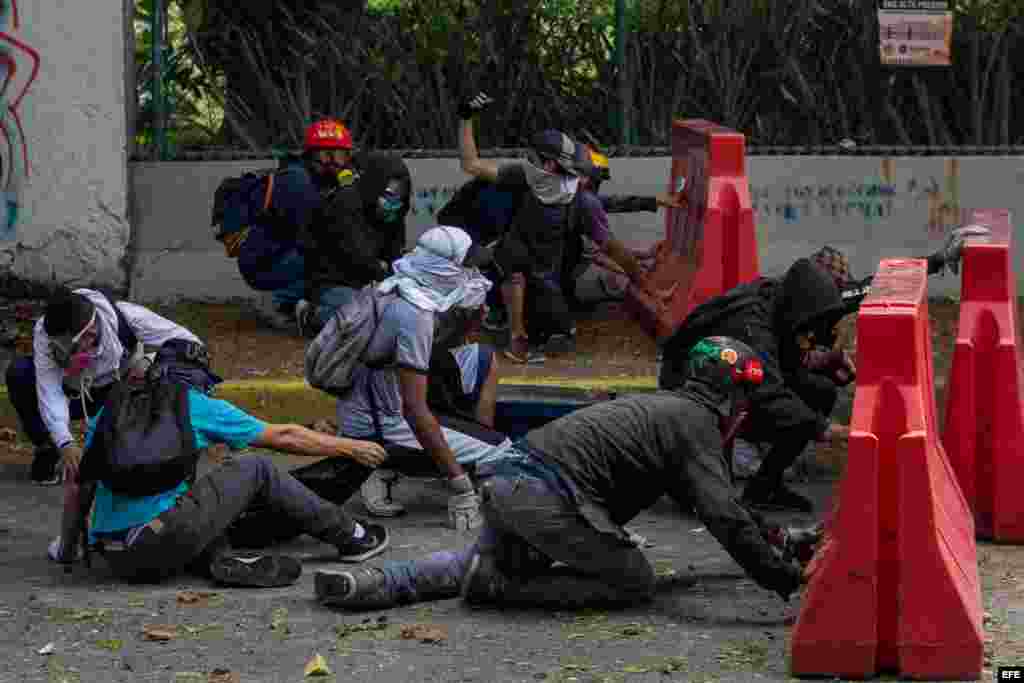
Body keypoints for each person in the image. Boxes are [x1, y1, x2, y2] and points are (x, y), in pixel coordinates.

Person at [312, 336, 811, 611]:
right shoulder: (696, 423)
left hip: (510, 481)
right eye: (744, 397)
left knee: (487, 560)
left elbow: (723, 504)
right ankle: (499, 589)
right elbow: (724, 518)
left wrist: (777, 538)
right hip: (545, 495)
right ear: (731, 394)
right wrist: (780, 577)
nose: (744, 409)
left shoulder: (670, 411)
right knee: (633, 580)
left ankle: (374, 582)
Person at [52, 339, 390, 586]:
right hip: (159, 541)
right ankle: (353, 536)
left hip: (116, 556)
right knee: (254, 468)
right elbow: (285, 436)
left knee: (195, 497)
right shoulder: (197, 404)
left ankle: (219, 559)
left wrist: (68, 550)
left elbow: (80, 485)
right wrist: (348, 447)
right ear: (198, 378)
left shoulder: (111, 410)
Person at [327, 226, 513, 525]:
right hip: (382, 426)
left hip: (372, 405)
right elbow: (414, 410)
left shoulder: (395, 286)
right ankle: (384, 465)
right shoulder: (414, 316)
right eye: (467, 266)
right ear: (443, 269)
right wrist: (459, 485)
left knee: (480, 357)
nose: (473, 273)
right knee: (502, 453)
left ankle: (458, 456)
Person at [659, 258, 857, 513]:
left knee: (819, 393)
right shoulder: (751, 323)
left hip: (733, 382)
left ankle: (764, 488)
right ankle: (697, 484)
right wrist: (827, 429)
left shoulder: (780, 300)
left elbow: (783, 362)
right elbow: (769, 394)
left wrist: (827, 360)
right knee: (717, 503)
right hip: (691, 390)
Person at [4, 288, 203, 485]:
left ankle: (136, 451)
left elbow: (190, 344)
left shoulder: (128, 317)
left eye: (65, 346)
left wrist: (150, 363)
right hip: (71, 391)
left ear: (89, 333)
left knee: (153, 380)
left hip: (117, 393)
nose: (58, 352)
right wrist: (64, 441)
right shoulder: (46, 332)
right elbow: (49, 388)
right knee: (19, 373)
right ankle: (47, 448)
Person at [456, 91, 588, 363]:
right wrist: (466, 119)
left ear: (550, 163)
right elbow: (471, 164)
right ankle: (516, 335)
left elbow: (606, 209)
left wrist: (651, 201)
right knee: (512, 267)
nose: (529, 159)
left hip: (549, 268)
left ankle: (544, 330)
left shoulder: (575, 189)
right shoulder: (524, 175)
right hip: (517, 255)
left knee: (555, 326)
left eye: (535, 156)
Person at [234, 118, 354, 328]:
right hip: (264, 263)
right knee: (327, 257)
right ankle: (275, 300)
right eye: (327, 155)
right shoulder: (298, 182)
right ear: (311, 155)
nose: (334, 163)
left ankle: (291, 300)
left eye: (340, 155)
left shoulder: (314, 179)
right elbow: (316, 233)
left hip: (280, 254)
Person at [296, 151, 413, 336]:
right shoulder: (345, 203)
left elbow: (394, 253)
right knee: (363, 317)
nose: (394, 200)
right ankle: (312, 315)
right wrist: (387, 275)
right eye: (389, 193)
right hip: (333, 282)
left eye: (399, 194)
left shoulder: (395, 213)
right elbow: (356, 256)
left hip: (372, 282)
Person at [562, 145, 682, 310]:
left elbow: (613, 204)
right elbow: (609, 252)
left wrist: (655, 201)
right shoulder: (585, 202)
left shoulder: (566, 193)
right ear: (586, 178)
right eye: (597, 181)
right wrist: (651, 289)